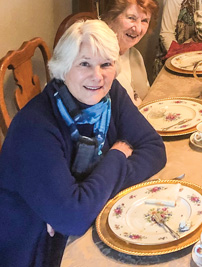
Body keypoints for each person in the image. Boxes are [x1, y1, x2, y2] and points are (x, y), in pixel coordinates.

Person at [0, 20, 167, 266]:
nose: (97, 76)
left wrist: (85, 193)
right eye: (84, 64)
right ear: (63, 68)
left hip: (79, 228)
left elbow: (154, 149)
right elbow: (75, 219)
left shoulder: (109, 95)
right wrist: (117, 156)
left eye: (106, 64)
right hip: (40, 250)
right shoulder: (35, 128)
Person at [100, 0, 159, 106]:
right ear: (111, 18)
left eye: (144, 21)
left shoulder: (134, 55)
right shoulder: (100, 61)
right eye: (131, 18)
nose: (137, 28)